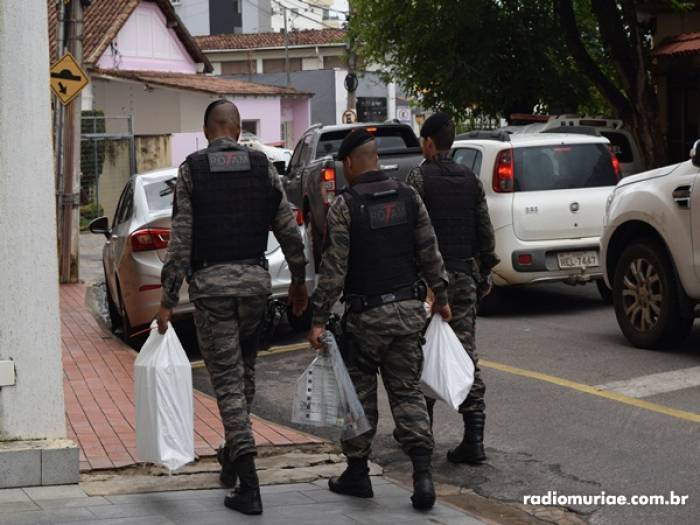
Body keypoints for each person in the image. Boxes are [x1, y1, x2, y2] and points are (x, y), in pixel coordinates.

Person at [156, 99, 308, 516]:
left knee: (225, 382)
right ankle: (232, 457)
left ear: (208, 131)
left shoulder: (193, 170)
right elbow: (289, 230)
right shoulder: (262, 167)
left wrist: (167, 301)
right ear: (237, 131)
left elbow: (181, 242)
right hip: (256, 288)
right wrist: (297, 282)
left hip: (213, 290)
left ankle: (250, 484)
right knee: (243, 373)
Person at [308, 128, 451, 510]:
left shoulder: (345, 205)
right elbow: (430, 251)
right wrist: (443, 298)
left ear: (353, 162)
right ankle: (422, 476)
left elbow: (334, 270)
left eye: (344, 165)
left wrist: (318, 318)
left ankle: (357, 473)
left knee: (359, 397)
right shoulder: (409, 196)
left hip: (365, 319)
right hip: (407, 315)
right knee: (406, 392)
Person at [406, 112, 499, 465]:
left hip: (426, 285)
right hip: (463, 278)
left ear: (428, 143)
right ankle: (473, 439)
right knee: (465, 356)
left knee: (420, 357)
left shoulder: (418, 177)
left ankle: (420, 439)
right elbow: (485, 231)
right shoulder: (469, 179)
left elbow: (411, 231)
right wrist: (485, 271)